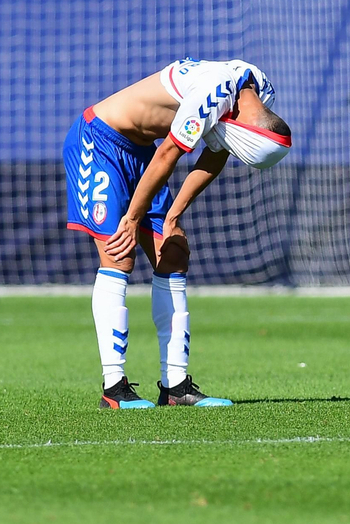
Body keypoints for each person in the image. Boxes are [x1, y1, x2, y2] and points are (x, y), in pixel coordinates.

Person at [65, 59, 290, 409]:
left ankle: (176, 387)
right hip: (100, 142)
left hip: (143, 153)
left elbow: (217, 155)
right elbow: (171, 151)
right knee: (119, 254)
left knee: (174, 254)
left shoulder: (262, 94)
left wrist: (174, 213)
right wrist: (131, 218)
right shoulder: (210, 94)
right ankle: (114, 388)